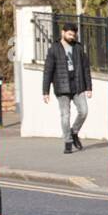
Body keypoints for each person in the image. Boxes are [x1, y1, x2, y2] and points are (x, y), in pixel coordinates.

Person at [42, 23, 93, 154]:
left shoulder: (78, 47)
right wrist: (45, 91)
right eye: (69, 34)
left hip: (78, 85)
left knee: (84, 111)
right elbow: (48, 70)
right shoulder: (54, 48)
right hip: (61, 86)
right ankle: (68, 142)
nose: (71, 37)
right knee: (65, 116)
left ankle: (74, 132)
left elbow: (86, 68)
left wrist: (89, 87)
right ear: (63, 32)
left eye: (73, 35)